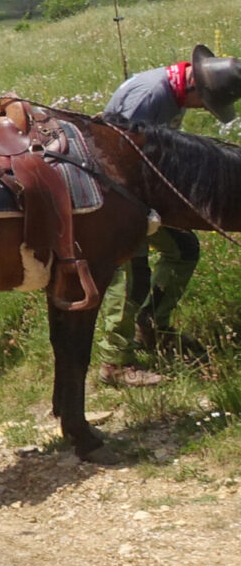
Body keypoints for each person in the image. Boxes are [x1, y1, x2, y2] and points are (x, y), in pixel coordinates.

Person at [94, 45, 241, 385]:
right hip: (121, 197)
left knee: (184, 249)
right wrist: (143, 214)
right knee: (132, 271)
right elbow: (120, 157)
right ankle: (115, 363)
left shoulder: (172, 92)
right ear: (194, 85)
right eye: (205, 102)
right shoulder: (150, 96)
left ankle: (152, 325)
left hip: (145, 193)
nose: (203, 108)